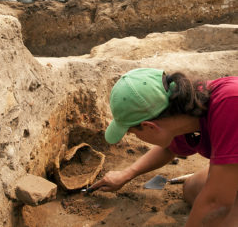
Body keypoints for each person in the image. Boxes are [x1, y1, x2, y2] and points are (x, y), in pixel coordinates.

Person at [89, 68, 238, 227]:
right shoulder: (183, 107)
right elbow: (170, 149)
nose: (134, 136)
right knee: (192, 189)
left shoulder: (230, 104)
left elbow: (215, 203)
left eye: (132, 133)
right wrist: (127, 174)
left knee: (224, 211)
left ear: (150, 126)